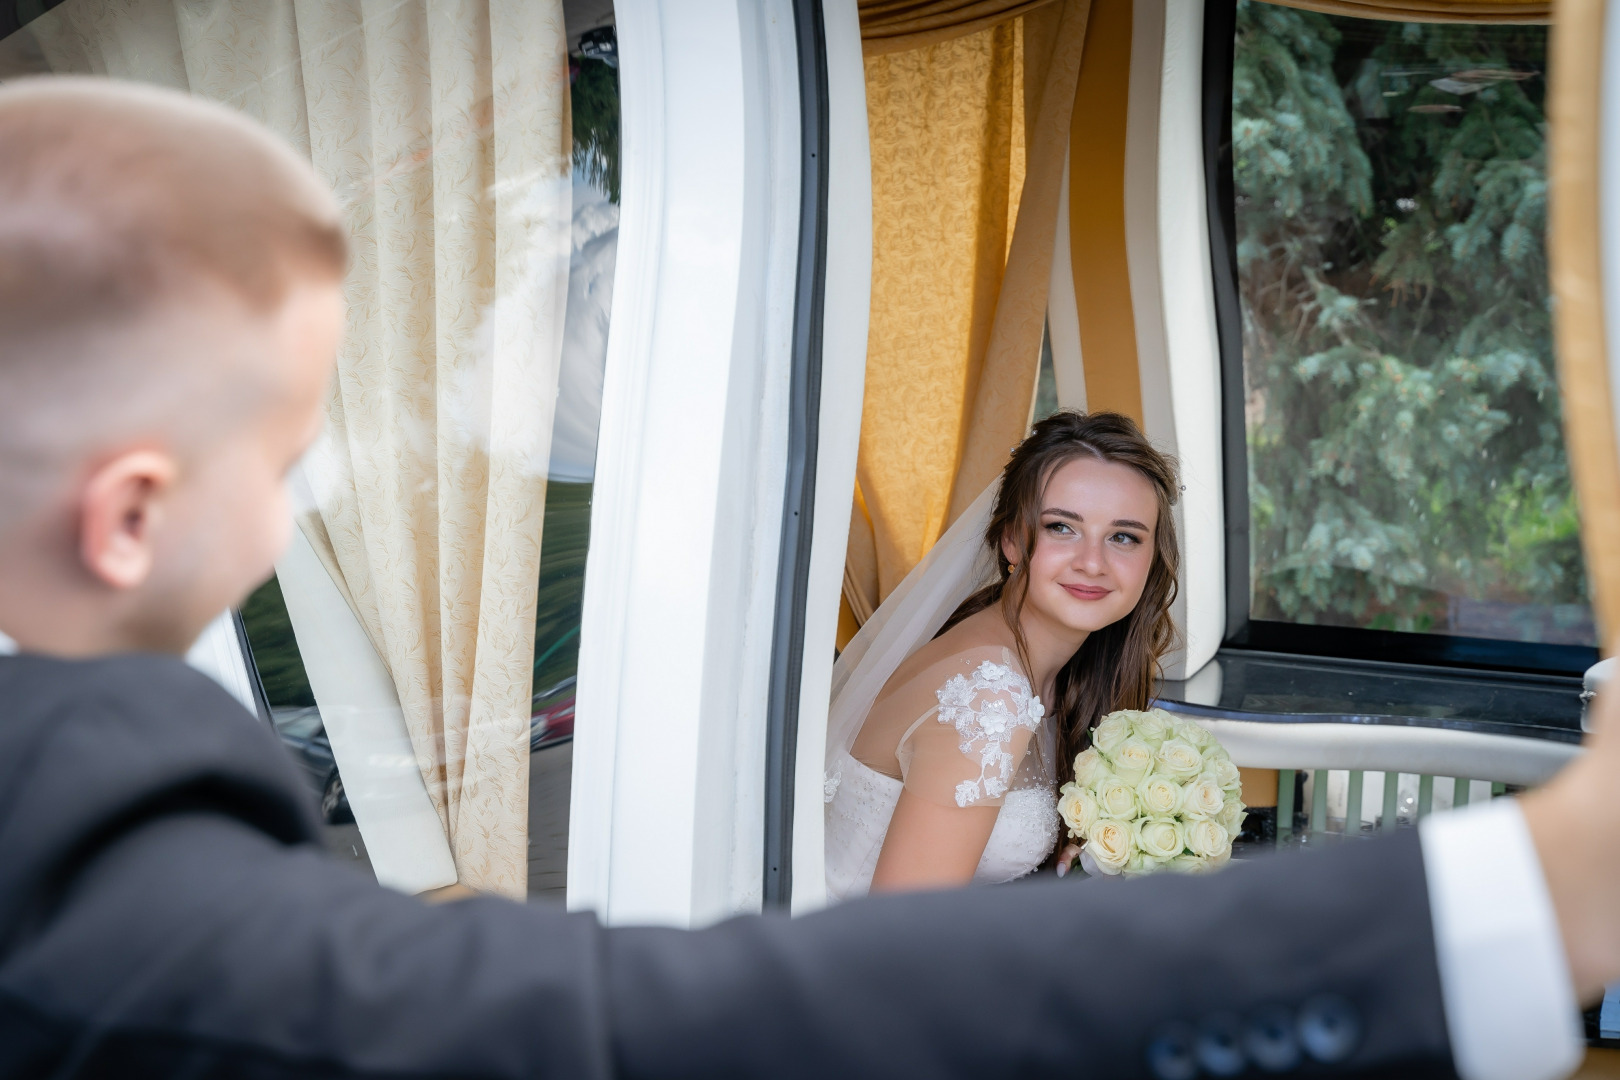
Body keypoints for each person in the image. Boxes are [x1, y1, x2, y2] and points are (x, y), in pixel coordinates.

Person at [0, 76, 1613, 1080]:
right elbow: (630, 1033)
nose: (299, 526)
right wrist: (1530, 888)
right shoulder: (82, 840)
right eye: (284, 466)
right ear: (130, 515)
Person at [824, 413, 1179, 897]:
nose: (1093, 563)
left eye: (1123, 537)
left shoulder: (1041, 667)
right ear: (1012, 539)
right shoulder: (988, 696)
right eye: (1061, 527)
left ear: (1151, 557)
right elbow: (907, 941)